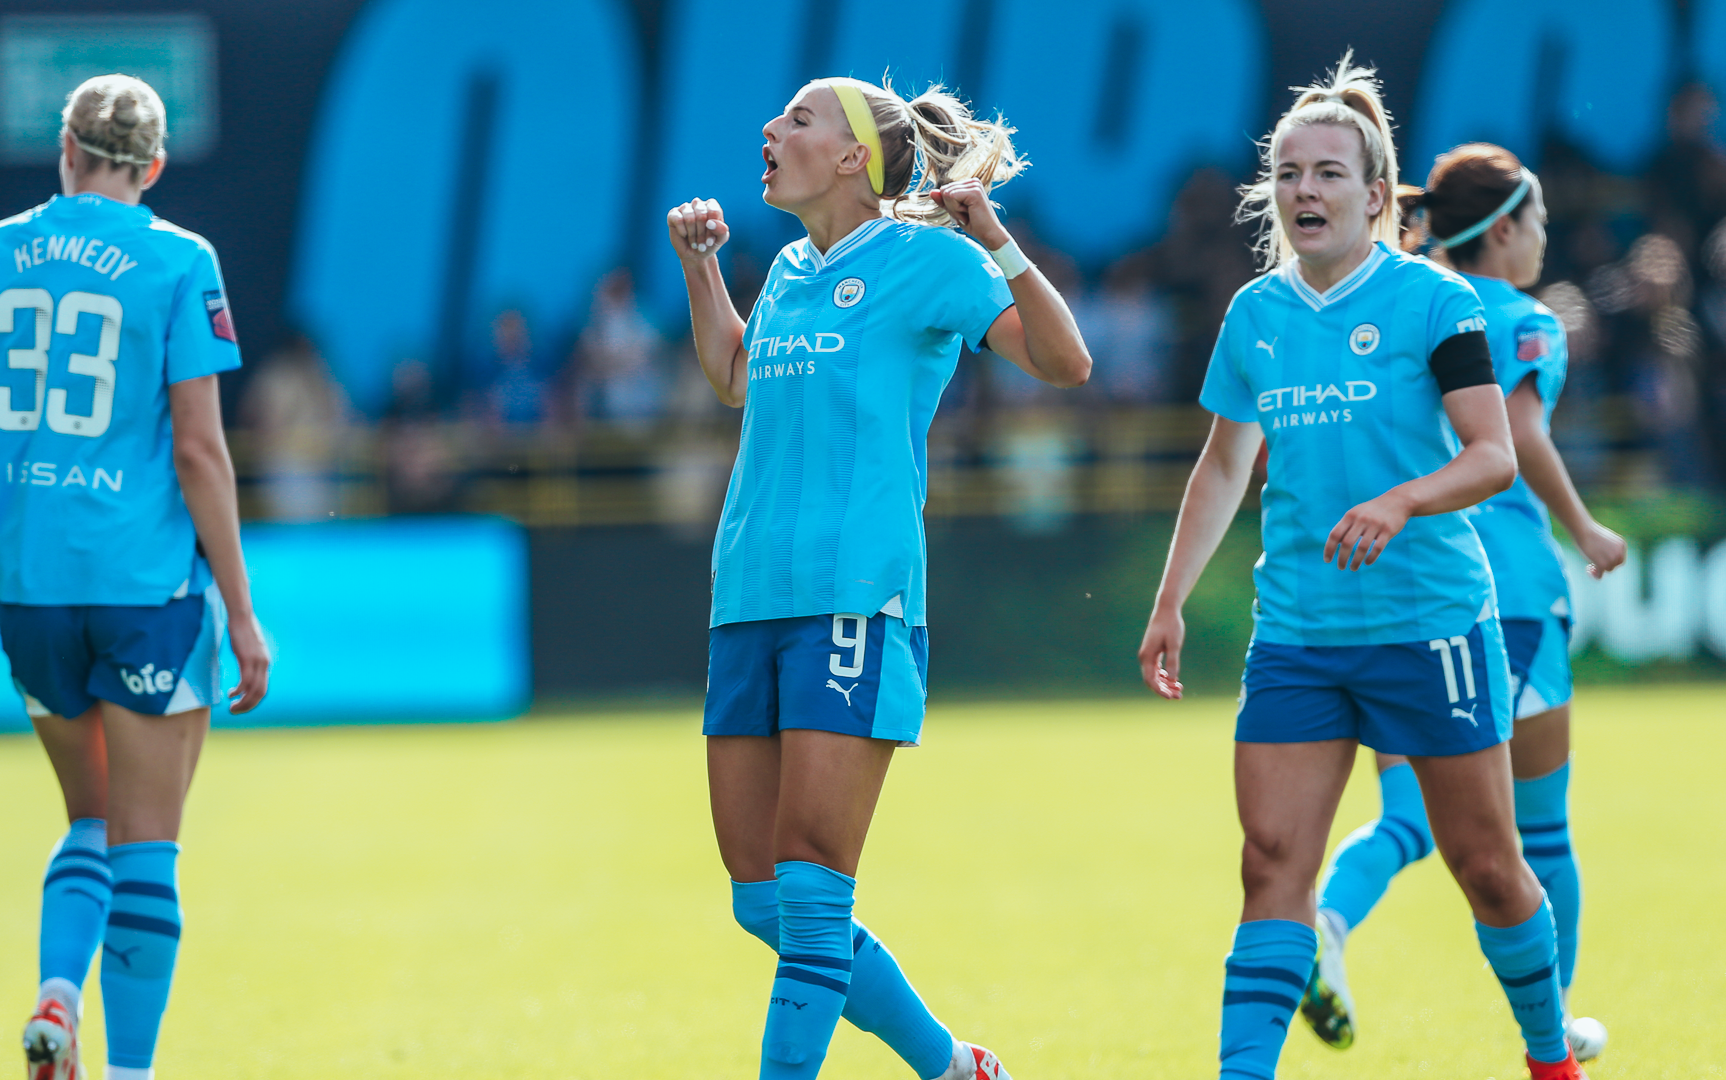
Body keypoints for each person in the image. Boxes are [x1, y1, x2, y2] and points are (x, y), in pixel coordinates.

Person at [1135, 57, 1587, 1080]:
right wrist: (1170, 600)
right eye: (1290, 174)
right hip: (1297, 634)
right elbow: (1221, 467)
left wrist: (1398, 501)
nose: (1307, 191)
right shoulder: (1255, 315)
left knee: (1487, 867)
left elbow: (1492, 456)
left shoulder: (1436, 303)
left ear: (1378, 196)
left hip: (1432, 624)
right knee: (1271, 868)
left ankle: (1551, 1057)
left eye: (1330, 174)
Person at [667, 76, 1090, 1080]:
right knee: (758, 896)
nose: (771, 128)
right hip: (750, 597)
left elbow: (1065, 363)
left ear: (854, 156)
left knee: (812, 892)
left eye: (799, 119)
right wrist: (702, 269)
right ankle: (950, 1065)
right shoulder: (788, 271)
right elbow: (733, 374)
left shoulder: (932, 262)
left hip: (855, 595)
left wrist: (998, 240)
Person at [0, 74, 271, 1080]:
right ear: (154, 165)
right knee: (147, 846)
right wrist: (244, 615)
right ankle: (126, 1072)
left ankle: (56, 991)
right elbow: (202, 454)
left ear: (66, 152)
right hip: (144, 586)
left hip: (27, 589)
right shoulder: (178, 260)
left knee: (88, 816)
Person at [1303, 143, 1626, 1063]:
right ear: (1509, 229)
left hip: (1400, 589)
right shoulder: (1522, 318)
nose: (1543, 243)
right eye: (1541, 225)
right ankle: (1552, 1024)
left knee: (1407, 814)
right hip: (1506, 595)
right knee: (1542, 829)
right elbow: (1518, 436)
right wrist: (1588, 530)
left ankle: (1322, 925)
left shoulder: (1391, 299)